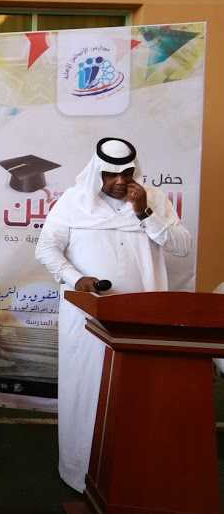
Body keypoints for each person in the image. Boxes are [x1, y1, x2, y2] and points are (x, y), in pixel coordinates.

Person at [36, 137, 191, 492]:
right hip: (88, 320)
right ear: (97, 173)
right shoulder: (73, 202)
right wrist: (76, 278)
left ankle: (135, 475)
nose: (120, 181)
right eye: (110, 174)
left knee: (135, 397)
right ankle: (79, 472)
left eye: (126, 173)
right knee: (87, 393)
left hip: (140, 321)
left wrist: (144, 213)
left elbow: (182, 247)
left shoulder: (154, 200)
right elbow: (46, 248)